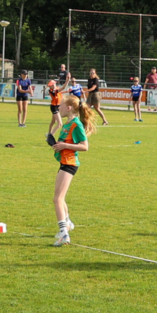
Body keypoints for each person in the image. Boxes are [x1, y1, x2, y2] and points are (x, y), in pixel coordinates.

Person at [50, 92, 95, 246]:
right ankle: (68, 223)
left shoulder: (76, 124)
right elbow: (67, 143)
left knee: (58, 199)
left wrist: (64, 145)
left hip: (70, 164)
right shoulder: (67, 124)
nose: (59, 107)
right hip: (64, 162)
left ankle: (64, 233)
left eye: (61, 105)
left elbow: (85, 146)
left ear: (68, 108)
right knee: (59, 197)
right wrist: (58, 145)